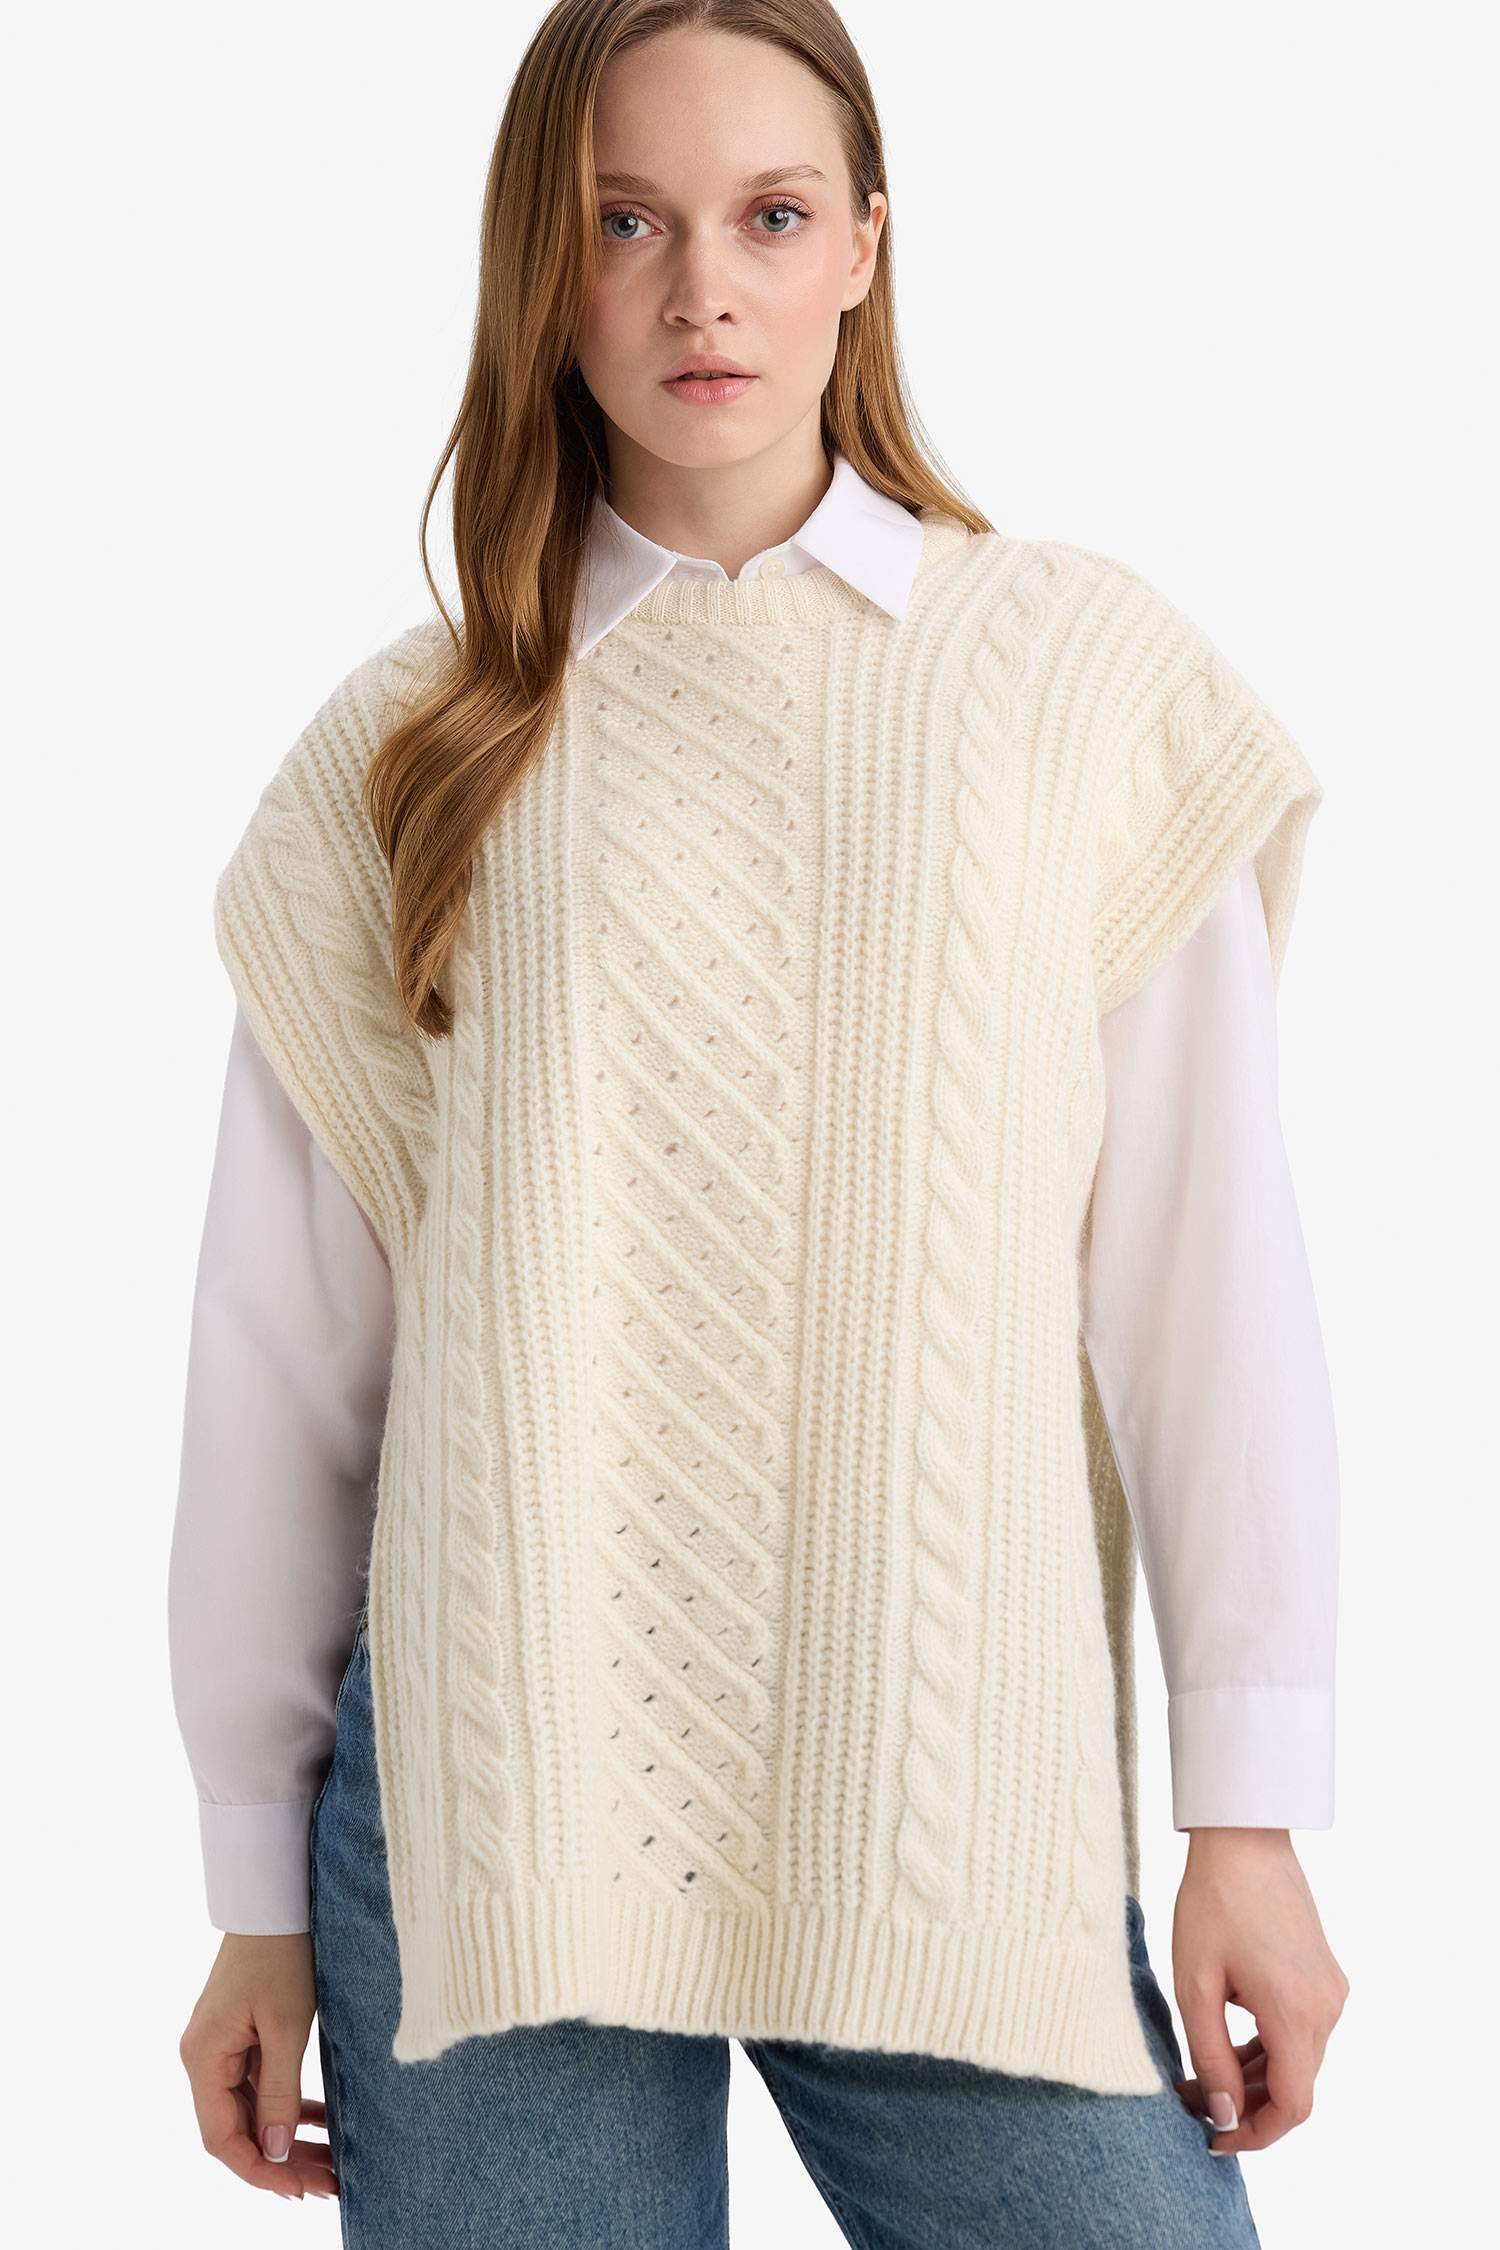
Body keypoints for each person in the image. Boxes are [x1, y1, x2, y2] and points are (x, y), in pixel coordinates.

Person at [170, 2, 1349, 2241]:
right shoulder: (414, 750)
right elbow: (288, 1363)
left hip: (947, 1783)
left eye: (770, 217)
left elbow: (1208, 1292)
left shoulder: (1075, 689)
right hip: (492, 1804)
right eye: (626, 223)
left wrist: (1252, 1808)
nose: (701, 288)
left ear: (866, 249)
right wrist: (252, 1887)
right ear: (545, 270)